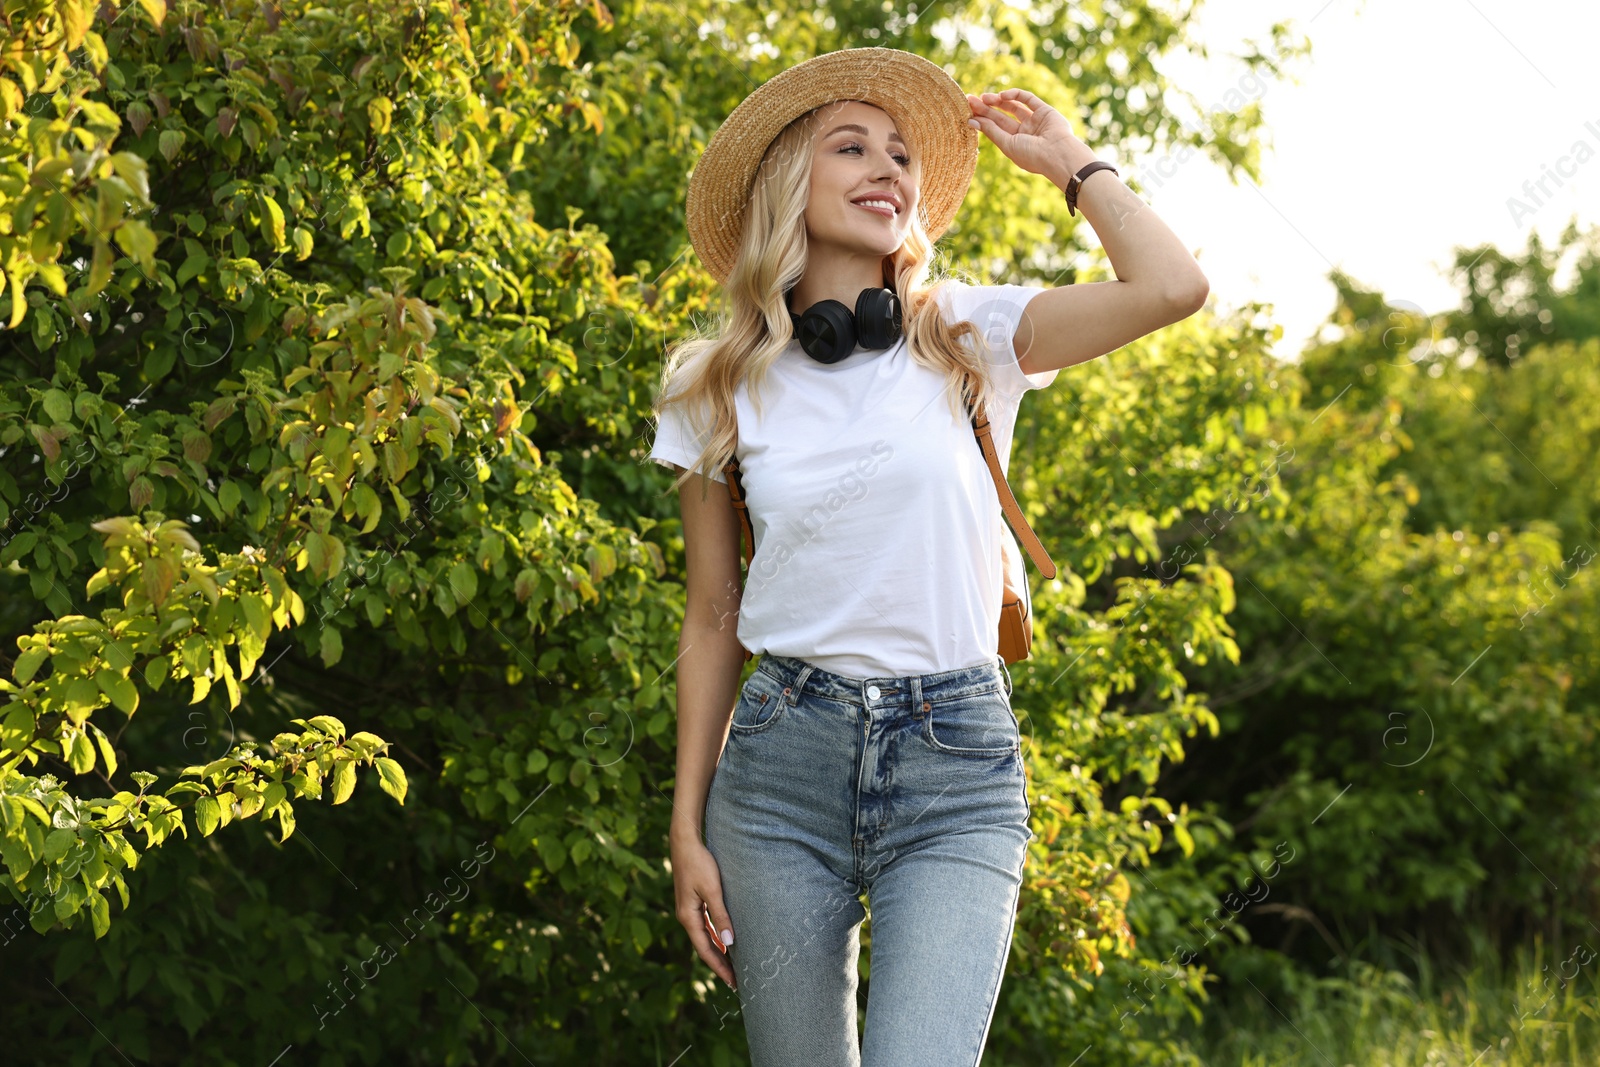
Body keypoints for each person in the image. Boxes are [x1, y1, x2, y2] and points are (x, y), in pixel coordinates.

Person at [646, 46, 1208, 1067]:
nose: (887, 168)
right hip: (778, 769)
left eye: (901, 154)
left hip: (955, 763)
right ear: (785, 182)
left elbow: (1173, 287)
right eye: (850, 146)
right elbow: (712, 614)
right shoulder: (711, 385)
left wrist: (1074, 167)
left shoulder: (961, 332)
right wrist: (687, 826)